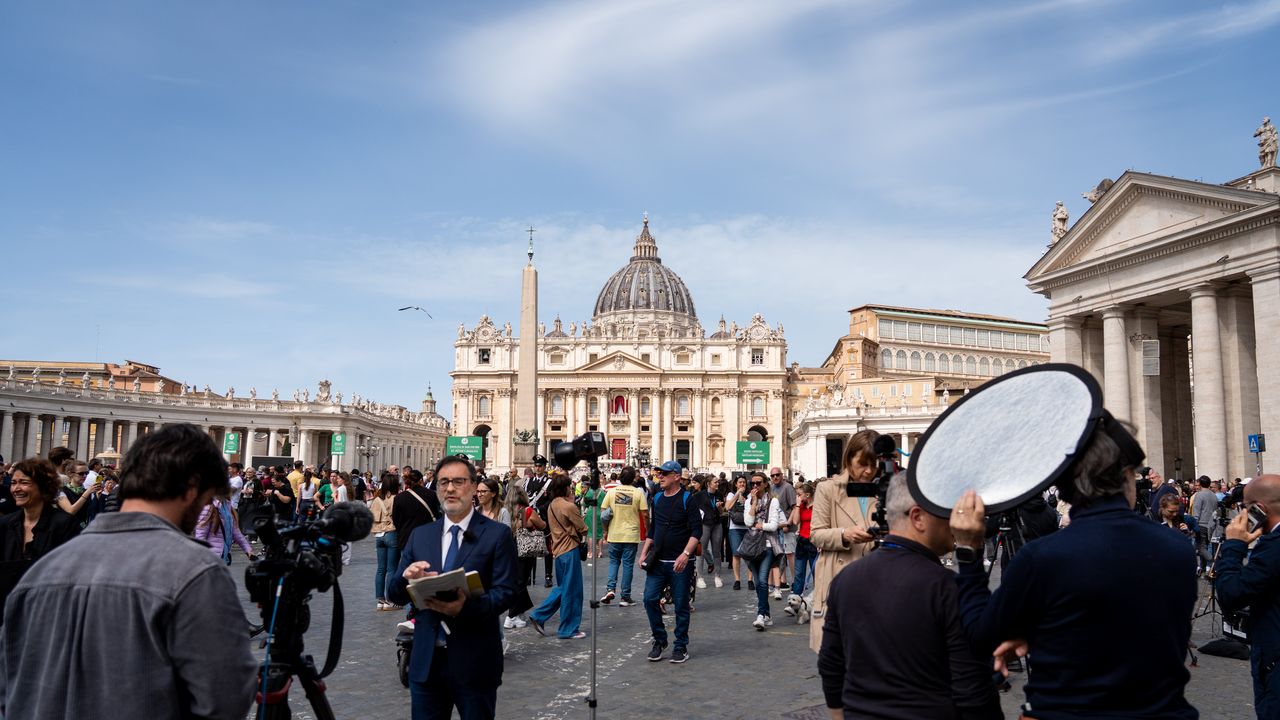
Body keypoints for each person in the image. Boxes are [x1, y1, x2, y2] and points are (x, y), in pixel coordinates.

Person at [1, 423, 257, 720]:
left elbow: (8, 687)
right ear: (192, 487)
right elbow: (224, 699)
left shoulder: (41, 571)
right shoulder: (195, 571)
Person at [950, 413, 1197, 719]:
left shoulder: (1042, 558)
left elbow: (979, 637)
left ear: (1065, 488)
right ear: (1127, 476)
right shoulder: (1178, 549)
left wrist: (968, 552)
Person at [819, 473, 1002, 720]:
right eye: (946, 511)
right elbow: (972, 688)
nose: (955, 520)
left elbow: (831, 664)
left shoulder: (845, 579)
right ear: (917, 517)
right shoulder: (946, 587)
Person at [388, 455, 518, 720]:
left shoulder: (496, 535)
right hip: (427, 662)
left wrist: (466, 606)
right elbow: (393, 593)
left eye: (458, 481)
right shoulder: (421, 535)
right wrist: (405, 577)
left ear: (473, 487)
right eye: (444, 482)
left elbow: (507, 592)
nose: (450, 488)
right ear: (436, 489)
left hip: (475, 661)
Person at [1215, 474, 1280, 719]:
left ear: (1258, 509)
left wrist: (1233, 546)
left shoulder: (1273, 546)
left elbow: (1232, 594)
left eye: (1244, 507)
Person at [808, 430, 880, 651]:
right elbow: (816, 534)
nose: (869, 471)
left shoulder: (885, 490)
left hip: (876, 579)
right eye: (862, 464)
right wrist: (844, 534)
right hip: (839, 577)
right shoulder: (827, 489)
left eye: (874, 464)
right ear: (849, 459)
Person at [640, 460, 702, 664]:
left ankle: (681, 645)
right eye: (659, 473)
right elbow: (653, 529)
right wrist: (644, 552)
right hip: (658, 561)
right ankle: (659, 640)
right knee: (649, 599)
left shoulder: (687, 499)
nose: (660, 476)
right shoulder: (657, 498)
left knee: (681, 605)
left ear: (676, 476)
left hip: (680, 563)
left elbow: (697, 531)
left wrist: (685, 554)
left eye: (664, 473)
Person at [0, 458, 80, 609]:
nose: (16, 488)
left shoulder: (65, 525)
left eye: (24, 483)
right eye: (13, 483)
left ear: (43, 487)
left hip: (47, 610)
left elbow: (72, 574)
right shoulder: (5, 525)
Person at [528, 475, 588, 640]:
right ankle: (567, 629)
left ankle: (539, 616)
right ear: (566, 488)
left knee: (563, 588)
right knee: (573, 591)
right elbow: (583, 528)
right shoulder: (569, 506)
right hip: (570, 550)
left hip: (558, 551)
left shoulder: (552, 505)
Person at [600, 466, 648, 607]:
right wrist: (648, 529)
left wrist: (605, 530)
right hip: (631, 534)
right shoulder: (638, 493)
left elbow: (603, 512)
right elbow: (645, 514)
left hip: (614, 533)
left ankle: (610, 589)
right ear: (634, 478)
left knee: (614, 562)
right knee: (627, 565)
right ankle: (625, 597)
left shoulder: (612, 492)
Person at [745, 471, 786, 631]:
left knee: (762, 581)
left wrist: (761, 525)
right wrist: (754, 503)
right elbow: (748, 522)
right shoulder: (750, 500)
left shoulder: (773, 501)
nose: (755, 486)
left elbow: (774, 525)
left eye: (758, 483)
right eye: (752, 483)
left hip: (768, 545)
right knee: (758, 584)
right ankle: (767, 614)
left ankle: (760, 615)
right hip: (752, 546)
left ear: (765, 484)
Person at [504, 485, 540, 629]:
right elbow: (542, 525)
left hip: (509, 549)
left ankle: (519, 613)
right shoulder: (528, 510)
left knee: (516, 581)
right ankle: (511, 615)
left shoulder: (504, 511)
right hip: (525, 550)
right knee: (521, 582)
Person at [193, 492, 255, 565]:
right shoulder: (208, 506)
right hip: (211, 559)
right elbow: (200, 537)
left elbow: (236, 533)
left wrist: (248, 550)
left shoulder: (227, 505)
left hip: (223, 556)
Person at [393, 468, 442, 553]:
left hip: (407, 537)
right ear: (421, 480)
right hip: (427, 536)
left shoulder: (399, 497)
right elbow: (437, 514)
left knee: (408, 565)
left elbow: (396, 519)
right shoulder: (431, 494)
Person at [372, 472, 401, 610]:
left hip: (379, 535)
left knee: (380, 569)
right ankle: (390, 600)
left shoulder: (377, 499)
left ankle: (380, 600)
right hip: (392, 533)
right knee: (391, 569)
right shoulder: (397, 498)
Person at [525, 455, 555, 588]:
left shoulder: (550, 482)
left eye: (540, 466)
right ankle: (529, 574)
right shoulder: (528, 482)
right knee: (530, 547)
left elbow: (551, 500)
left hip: (544, 517)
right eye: (536, 466)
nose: (538, 468)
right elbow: (526, 499)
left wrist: (539, 508)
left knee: (547, 548)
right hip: (531, 519)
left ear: (544, 467)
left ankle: (548, 575)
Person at [768, 466, 797, 598]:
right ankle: (783, 581)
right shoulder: (772, 488)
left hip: (787, 527)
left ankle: (796, 582)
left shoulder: (788, 487)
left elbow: (794, 507)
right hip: (777, 527)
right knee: (780, 555)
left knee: (790, 555)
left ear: (782, 475)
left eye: (777, 475)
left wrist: (788, 523)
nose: (775, 477)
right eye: (773, 475)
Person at [787, 481, 817, 609]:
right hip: (802, 541)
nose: (797, 497)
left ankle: (818, 601)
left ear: (808, 495)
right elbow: (795, 521)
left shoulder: (817, 506)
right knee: (799, 574)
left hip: (814, 542)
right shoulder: (801, 506)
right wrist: (798, 506)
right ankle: (796, 602)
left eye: (799, 495)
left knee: (817, 573)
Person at [725, 475, 750, 590]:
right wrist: (737, 494)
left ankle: (750, 580)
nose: (742, 484)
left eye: (743, 482)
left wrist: (746, 503)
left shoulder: (749, 495)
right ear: (736, 484)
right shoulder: (731, 494)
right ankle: (737, 580)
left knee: (750, 555)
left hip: (747, 527)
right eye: (740, 482)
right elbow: (727, 507)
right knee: (736, 554)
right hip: (734, 528)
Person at [1190, 476, 1219, 574]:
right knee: (1204, 546)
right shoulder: (1213, 495)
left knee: (1200, 547)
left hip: (1201, 524)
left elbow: (1196, 512)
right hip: (1211, 524)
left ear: (1201, 484)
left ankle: (1214, 561)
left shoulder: (1199, 495)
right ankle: (1203, 567)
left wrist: (1194, 525)